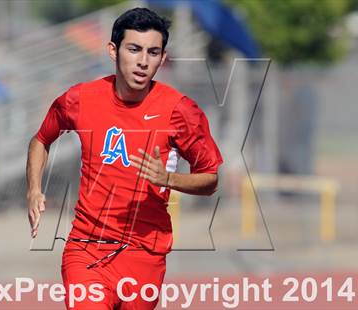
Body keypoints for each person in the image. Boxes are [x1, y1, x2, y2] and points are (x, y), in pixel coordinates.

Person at [26, 7, 223, 310]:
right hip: (86, 249)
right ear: (113, 51)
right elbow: (41, 139)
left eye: (153, 52)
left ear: (163, 58)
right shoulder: (80, 99)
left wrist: (169, 179)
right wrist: (33, 189)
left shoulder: (179, 111)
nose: (143, 61)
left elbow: (210, 178)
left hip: (144, 255)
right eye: (134, 49)